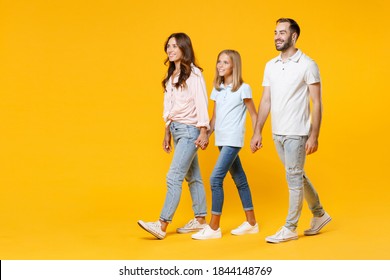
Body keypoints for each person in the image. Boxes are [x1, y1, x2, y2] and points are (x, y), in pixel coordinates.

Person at [250, 18, 331, 243]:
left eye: (282, 32)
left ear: (293, 36)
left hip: (297, 131)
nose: (277, 36)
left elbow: (317, 102)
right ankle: (320, 214)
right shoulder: (270, 65)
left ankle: (290, 227)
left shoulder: (307, 64)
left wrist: (314, 135)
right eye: (275, 32)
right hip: (278, 132)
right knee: (297, 175)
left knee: (293, 178)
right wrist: (258, 131)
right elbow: (265, 100)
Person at [138, 33, 210, 240]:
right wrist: (167, 132)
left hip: (190, 130)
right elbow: (169, 107)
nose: (170, 50)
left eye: (175, 46)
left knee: (174, 176)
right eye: (168, 46)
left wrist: (203, 131)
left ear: (184, 49)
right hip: (177, 130)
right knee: (193, 176)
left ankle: (161, 225)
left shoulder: (194, 74)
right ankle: (200, 220)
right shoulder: (171, 76)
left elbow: (201, 102)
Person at [192, 50, 258, 240]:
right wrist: (206, 135)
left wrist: (257, 134)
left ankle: (214, 228)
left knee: (215, 179)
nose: (220, 65)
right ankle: (252, 222)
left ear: (234, 66)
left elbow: (254, 114)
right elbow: (214, 118)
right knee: (240, 179)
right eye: (219, 62)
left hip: (233, 139)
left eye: (225, 63)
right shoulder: (218, 89)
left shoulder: (243, 88)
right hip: (221, 139)